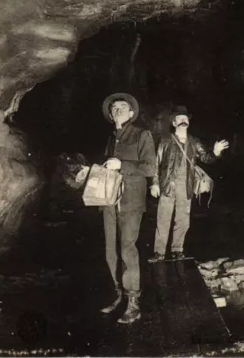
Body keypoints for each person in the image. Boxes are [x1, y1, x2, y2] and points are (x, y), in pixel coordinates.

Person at [99, 93, 156, 324]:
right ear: (111, 115)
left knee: (127, 248)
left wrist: (122, 165)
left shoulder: (142, 135)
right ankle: (118, 294)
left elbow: (149, 167)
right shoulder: (112, 138)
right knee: (110, 248)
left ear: (132, 113)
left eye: (123, 106)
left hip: (131, 200)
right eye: (114, 107)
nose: (118, 109)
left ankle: (133, 301)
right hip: (109, 200)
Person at [148, 105, 229, 263]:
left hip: (186, 185)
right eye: (180, 118)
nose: (183, 121)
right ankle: (159, 252)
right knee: (163, 218)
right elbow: (156, 164)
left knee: (183, 219)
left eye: (185, 118)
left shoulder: (194, 141)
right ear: (174, 122)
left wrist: (216, 152)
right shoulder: (165, 141)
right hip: (167, 185)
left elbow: (206, 158)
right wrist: (155, 183)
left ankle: (177, 250)